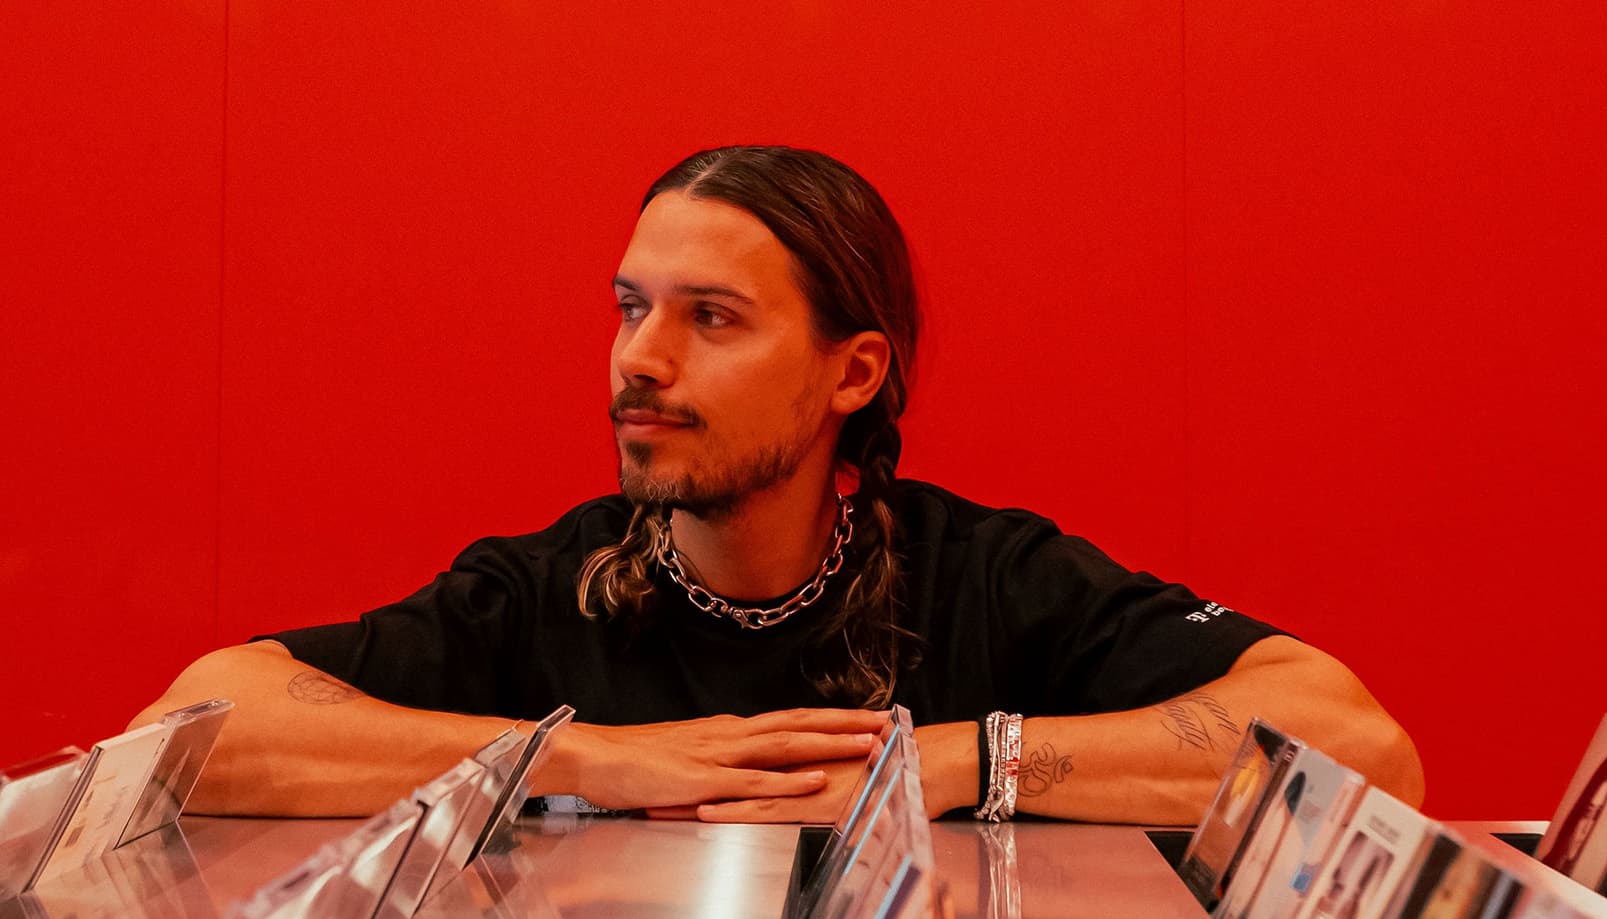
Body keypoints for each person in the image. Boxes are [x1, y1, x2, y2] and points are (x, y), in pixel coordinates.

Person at [133, 146, 1424, 822]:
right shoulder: (543, 591)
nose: (639, 359)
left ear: (852, 371)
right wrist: (585, 760)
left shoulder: (991, 580)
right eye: (631, 307)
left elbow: (1361, 749)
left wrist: (962, 763)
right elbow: (197, 721)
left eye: (712, 318)